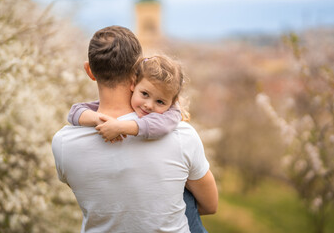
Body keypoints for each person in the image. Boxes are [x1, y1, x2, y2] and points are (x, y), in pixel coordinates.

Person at [52, 25, 218, 232]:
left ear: (89, 71)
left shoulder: (62, 143)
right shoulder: (181, 136)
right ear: (136, 75)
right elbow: (210, 205)